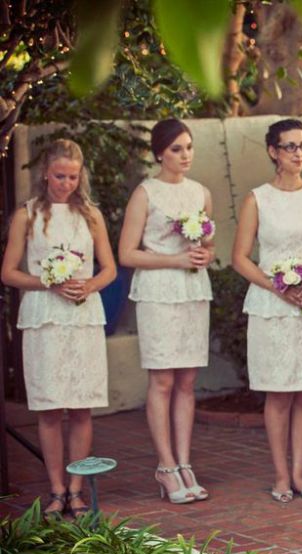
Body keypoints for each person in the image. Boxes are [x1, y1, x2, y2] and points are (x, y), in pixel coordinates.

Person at [231, 118, 302, 503]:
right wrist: (276, 286)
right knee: (279, 394)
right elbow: (240, 258)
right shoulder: (257, 199)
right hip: (271, 307)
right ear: (273, 152)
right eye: (290, 147)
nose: (299, 153)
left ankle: (300, 473)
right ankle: (280, 475)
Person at [1, 139, 116, 518]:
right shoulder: (27, 215)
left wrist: (89, 285)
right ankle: (55, 489)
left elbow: (110, 269)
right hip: (44, 316)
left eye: (72, 176)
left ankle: (77, 488)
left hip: (83, 315)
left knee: (81, 406)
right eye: (58, 176)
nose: (65, 183)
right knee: (50, 408)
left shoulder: (92, 215)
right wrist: (48, 283)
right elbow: (9, 273)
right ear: (45, 174)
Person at [119, 119, 214, 504]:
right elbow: (127, 253)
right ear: (160, 153)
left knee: (188, 381)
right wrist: (175, 259)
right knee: (162, 381)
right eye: (176, 149)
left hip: (192, 291)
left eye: (189, 147)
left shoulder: (201, 193)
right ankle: (165, 464)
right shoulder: (146, 193)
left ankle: (185, 462)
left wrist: (204, 254)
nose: (185, 155)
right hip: (158, 292)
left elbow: (206, 244)